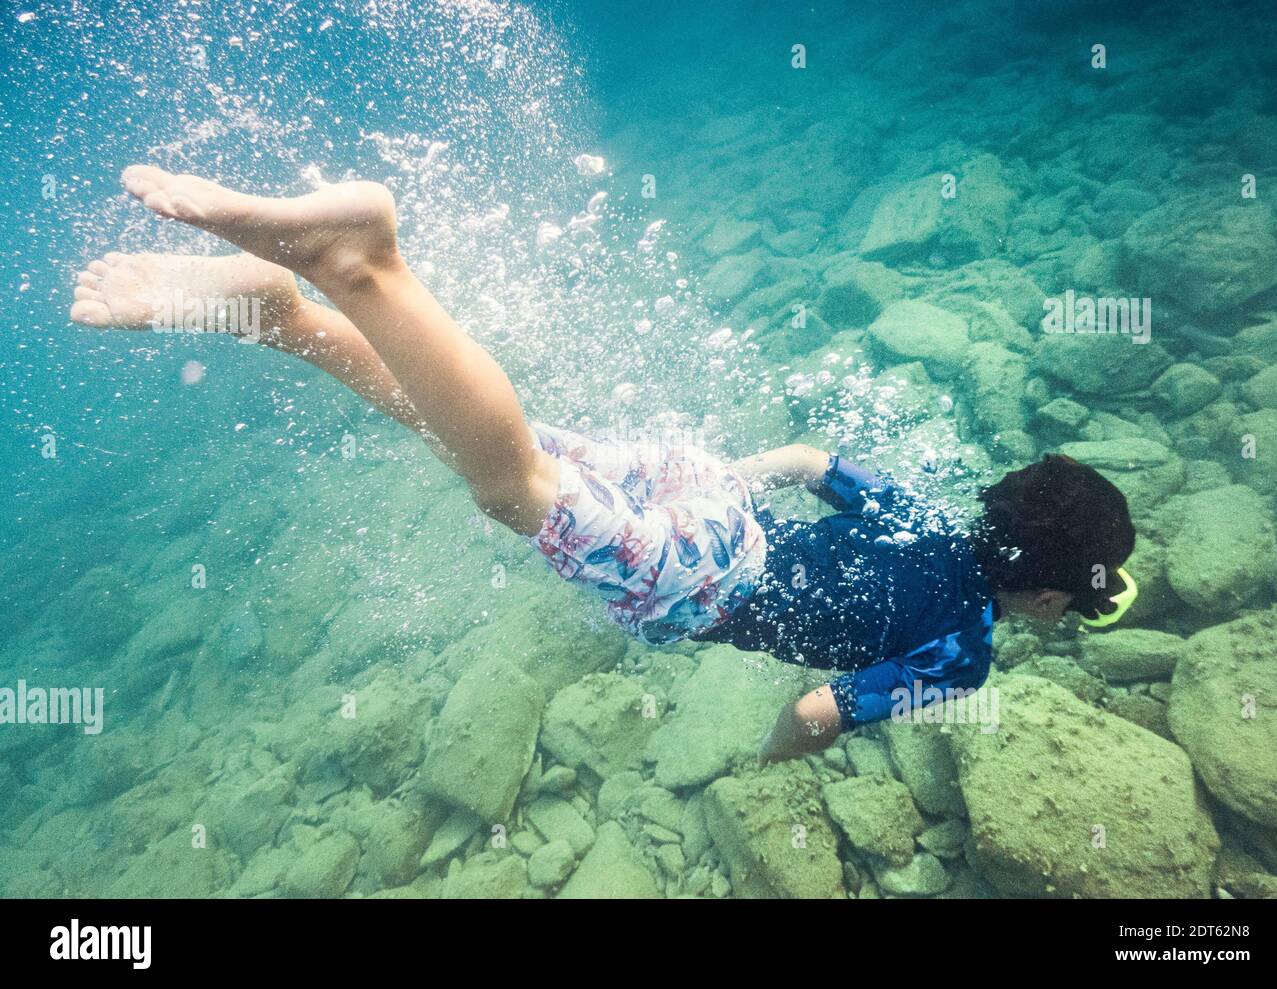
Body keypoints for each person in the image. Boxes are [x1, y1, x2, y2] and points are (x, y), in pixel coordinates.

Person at [71, 166, 1137, 766]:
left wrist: (713, 484)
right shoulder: (967, 652)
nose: (1058, 616)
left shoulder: (926, 514)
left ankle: (282, 320)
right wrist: (767, 762)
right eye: (1069, 606)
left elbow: (810, 457)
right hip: (707, 581)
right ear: (1045, 592)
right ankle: (362, 266)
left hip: (712, 499)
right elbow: (820, 711)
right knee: (510, 487)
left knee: (495, 443)